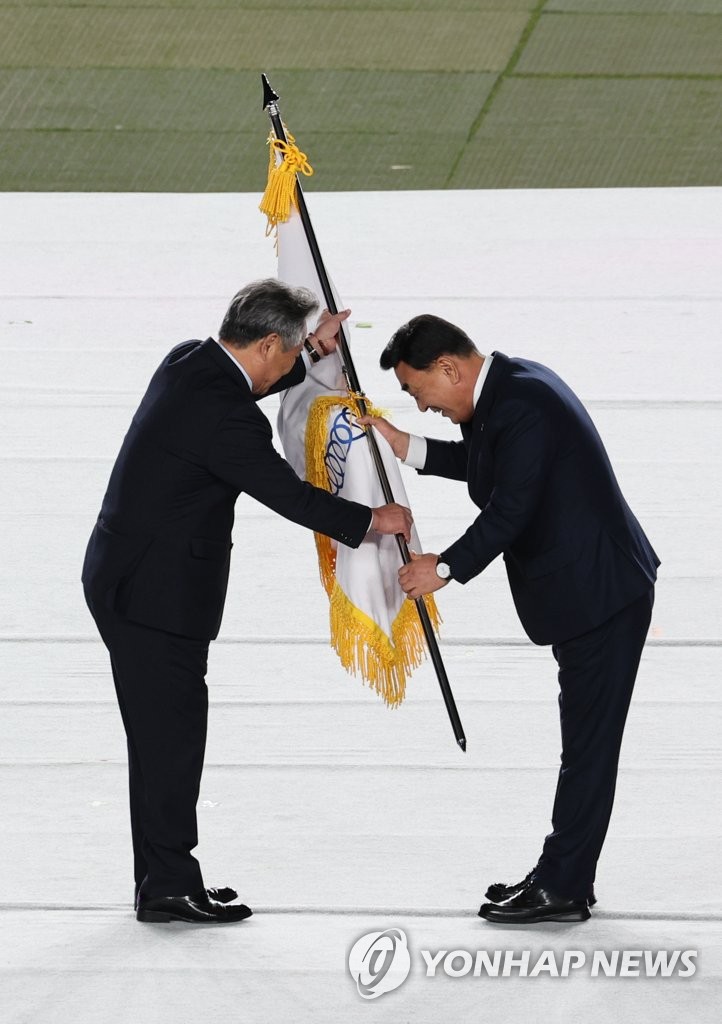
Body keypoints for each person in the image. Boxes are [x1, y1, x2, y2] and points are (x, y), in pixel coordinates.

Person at [82, 279, 412, 925]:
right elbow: (287, 495)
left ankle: (164, 878)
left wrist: (313, 353)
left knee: (162, 741)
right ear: (266, 343)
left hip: (131, 578)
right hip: (153, 597)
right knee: (170, 743)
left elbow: (251, 387)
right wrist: (374, 518)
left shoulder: (190, 361)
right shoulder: (224, 416)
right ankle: (169, 887)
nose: (289, 368)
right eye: (288, 356)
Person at [359, 313, 659, 925]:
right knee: (585, 745)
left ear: (449, 368)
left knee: (587, 749)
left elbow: (508, 510)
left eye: (418, 392)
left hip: (600, 595)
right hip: (596, 587)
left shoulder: (522, 406)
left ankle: (564, 885)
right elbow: (491, 466)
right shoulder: (511, 388)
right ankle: (565, 871)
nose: (422, 407)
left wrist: (439, 570)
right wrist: (404, 446)